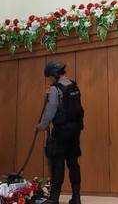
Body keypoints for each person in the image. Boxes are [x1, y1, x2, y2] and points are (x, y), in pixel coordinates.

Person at [36, 60, 85, 204]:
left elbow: (50, 112)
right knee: (73, 163)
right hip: (75, 131)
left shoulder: (55, 89)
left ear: (54, 74)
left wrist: (41, 126)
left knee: (57, 163)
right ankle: (76, 197)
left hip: (61, 132)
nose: (50, 80)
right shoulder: (74, 86)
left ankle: (54, 198)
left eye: (50, 77)